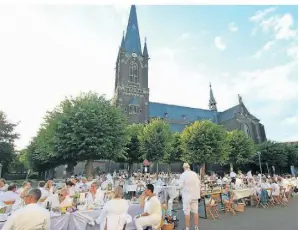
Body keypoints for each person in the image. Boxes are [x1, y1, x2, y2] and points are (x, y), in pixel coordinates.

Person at [179, 163, 201, 230]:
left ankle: (187, 228)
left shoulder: (183, 175)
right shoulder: (194, 174)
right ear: (189, 167)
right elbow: (199, 184)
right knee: (195, 212)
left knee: (187, 212)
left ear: (184, 168)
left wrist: (176, 185)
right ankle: (196, 227)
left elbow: (180, 186)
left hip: (187, 196)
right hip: (195, 195)